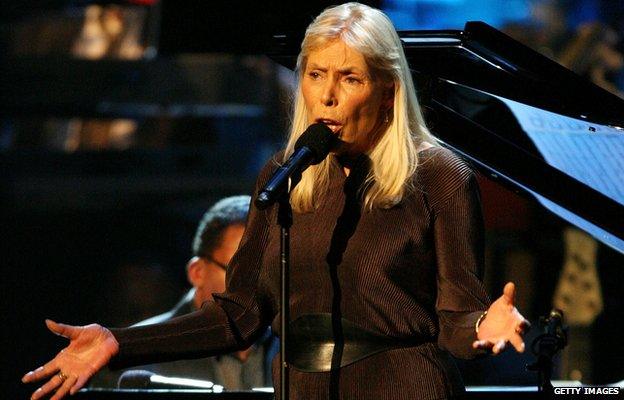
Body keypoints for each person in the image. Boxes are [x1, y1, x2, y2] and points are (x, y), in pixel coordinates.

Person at [22, 3, 530, 400]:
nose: (327, 95)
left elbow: (458, 314)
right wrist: (119, 342)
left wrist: (485, 324)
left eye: (349, 78)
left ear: (387, 90)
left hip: (403, 385)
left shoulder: (439, 175)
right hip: (303, 385)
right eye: (315, 74)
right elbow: (240, 314)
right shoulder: (288, 175)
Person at [90, 195, 277, 390]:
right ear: (197, 272)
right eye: (239, 272)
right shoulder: (132, 358)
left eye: (268, 272)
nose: (257, 286)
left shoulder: (294, 344)